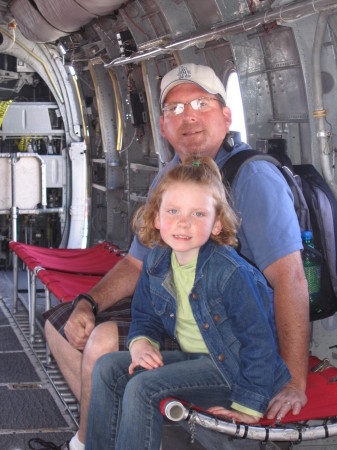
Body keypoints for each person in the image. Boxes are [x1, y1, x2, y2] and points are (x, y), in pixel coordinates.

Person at [43, 63, 309, 450]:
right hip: (182, 321)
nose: (189, 116)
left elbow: (290, 281)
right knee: (67, 329)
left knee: (123, 365)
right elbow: (139, 269)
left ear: (226, 113)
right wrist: (91, 306)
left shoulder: (253, 180)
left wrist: (292, 381)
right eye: (175, 109)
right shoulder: (170, 176)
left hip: (224, 341)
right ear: (163, 126)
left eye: (201, 102)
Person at [85, 156, 291, 449]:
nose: (183, 223)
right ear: (156, 218)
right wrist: (141, 342)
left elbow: (259, 344)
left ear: (217, 224)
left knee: (143, 387)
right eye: (173, 211)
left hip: (234, 370)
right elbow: (146, 316)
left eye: (198, 214)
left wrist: (248, 406)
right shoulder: (157, 260)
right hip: (197, 360)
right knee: (107, 368)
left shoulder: (230, 274)